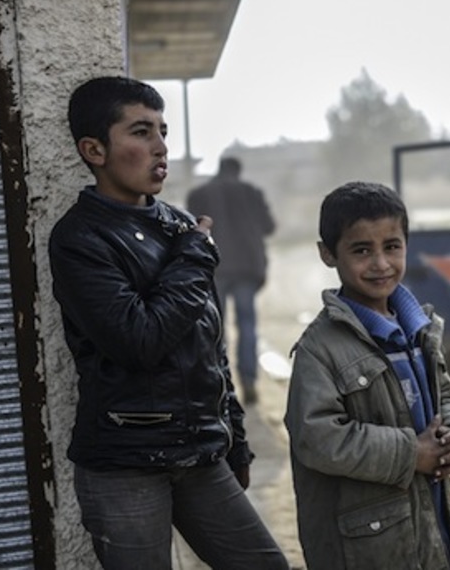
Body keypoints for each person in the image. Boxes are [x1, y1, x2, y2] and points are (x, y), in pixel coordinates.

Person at [49, 76, 288, 570]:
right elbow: (141, 339)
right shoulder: (79, 238)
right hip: (126, 464)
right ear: (94, 150)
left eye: (162, 130)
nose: (160, 146)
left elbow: (209, 347)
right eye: (140, 132)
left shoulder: (178, 226)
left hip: (201, 455)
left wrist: (234, 439)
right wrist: (194, 258)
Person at [284, 181, 450, 569]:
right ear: (328, 254)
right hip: (367, 548)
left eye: (392, 246)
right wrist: (413, 453)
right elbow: (317, 437)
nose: (381, 264)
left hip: (430, 523)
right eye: (361, 250)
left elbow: (446, 396)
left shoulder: (420, 329)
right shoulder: (319, 348)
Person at [187, 156, 275, 405]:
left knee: (215, 327)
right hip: (247, 267)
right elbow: (269, 227)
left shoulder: (200, 194)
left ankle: (219, 383)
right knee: (247, 324)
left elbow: (191, 230)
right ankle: (248, 380)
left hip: (214, 268)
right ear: (238, 170)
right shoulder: (251, 192)